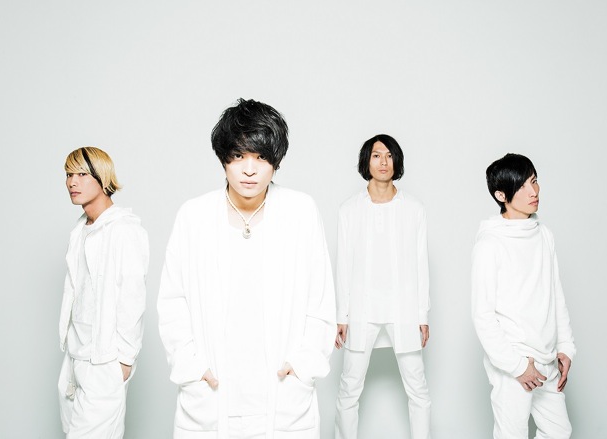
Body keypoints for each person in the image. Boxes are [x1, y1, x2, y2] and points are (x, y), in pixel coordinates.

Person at [157, 98, 336, 439]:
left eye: (261, 157)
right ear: (223, 158)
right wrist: (192, 369)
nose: (249, 169)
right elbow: (172, 302)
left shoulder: (300, 212)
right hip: (212, 393)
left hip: (282, 394)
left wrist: (302, 366)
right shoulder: (194, 216)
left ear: (276, 161)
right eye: (239, 156)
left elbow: (321, 300)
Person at [472, 153, 576, 439]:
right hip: (514, 363)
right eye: (523, 186)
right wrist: (517, 366)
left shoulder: (544, 235)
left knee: (559, 431)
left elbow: (555, 295)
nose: (534, 191)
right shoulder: (490, 244)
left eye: (534, 181)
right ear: (501, 195)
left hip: (547, 358)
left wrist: (565, 347)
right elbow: (482, 316)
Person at [334, 134, 432, 439]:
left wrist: (422, 314)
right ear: (367, 161)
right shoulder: (349, 209)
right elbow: (343, 265)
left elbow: (421, 264)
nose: (383, 162)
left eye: (389, 155)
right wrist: (341, 315)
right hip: (361, 310)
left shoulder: (414, 208)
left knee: (418, 388)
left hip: (403, 309)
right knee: (349, 388)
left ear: (396, 161)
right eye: (377, 155)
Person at [57, 146, 149, 438]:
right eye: (68, 174)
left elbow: (133, 298)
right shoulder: (80, 230)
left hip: (104, 361)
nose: (72, 182)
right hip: (74, 358)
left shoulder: (124, 230)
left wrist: (123, 362)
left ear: (102, 177)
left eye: (81, 174)